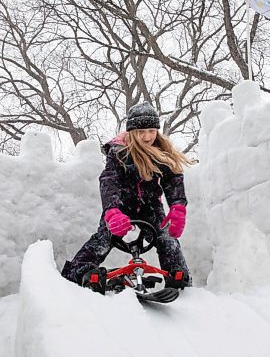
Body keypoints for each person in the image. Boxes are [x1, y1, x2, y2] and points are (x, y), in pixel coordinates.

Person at [61, 101, 193, 290]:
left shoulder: (161, 153)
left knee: (166, 237)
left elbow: (173, 180)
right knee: (104, 238)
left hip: (149, 207)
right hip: (121, 206)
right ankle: (79, 271)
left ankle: (178, 275)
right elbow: (109, 180)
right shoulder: (119, 152)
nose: (147, 137)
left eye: (151, 131)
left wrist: (178, 206)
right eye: (141, 132)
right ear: (132, 132)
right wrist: (112, 211)